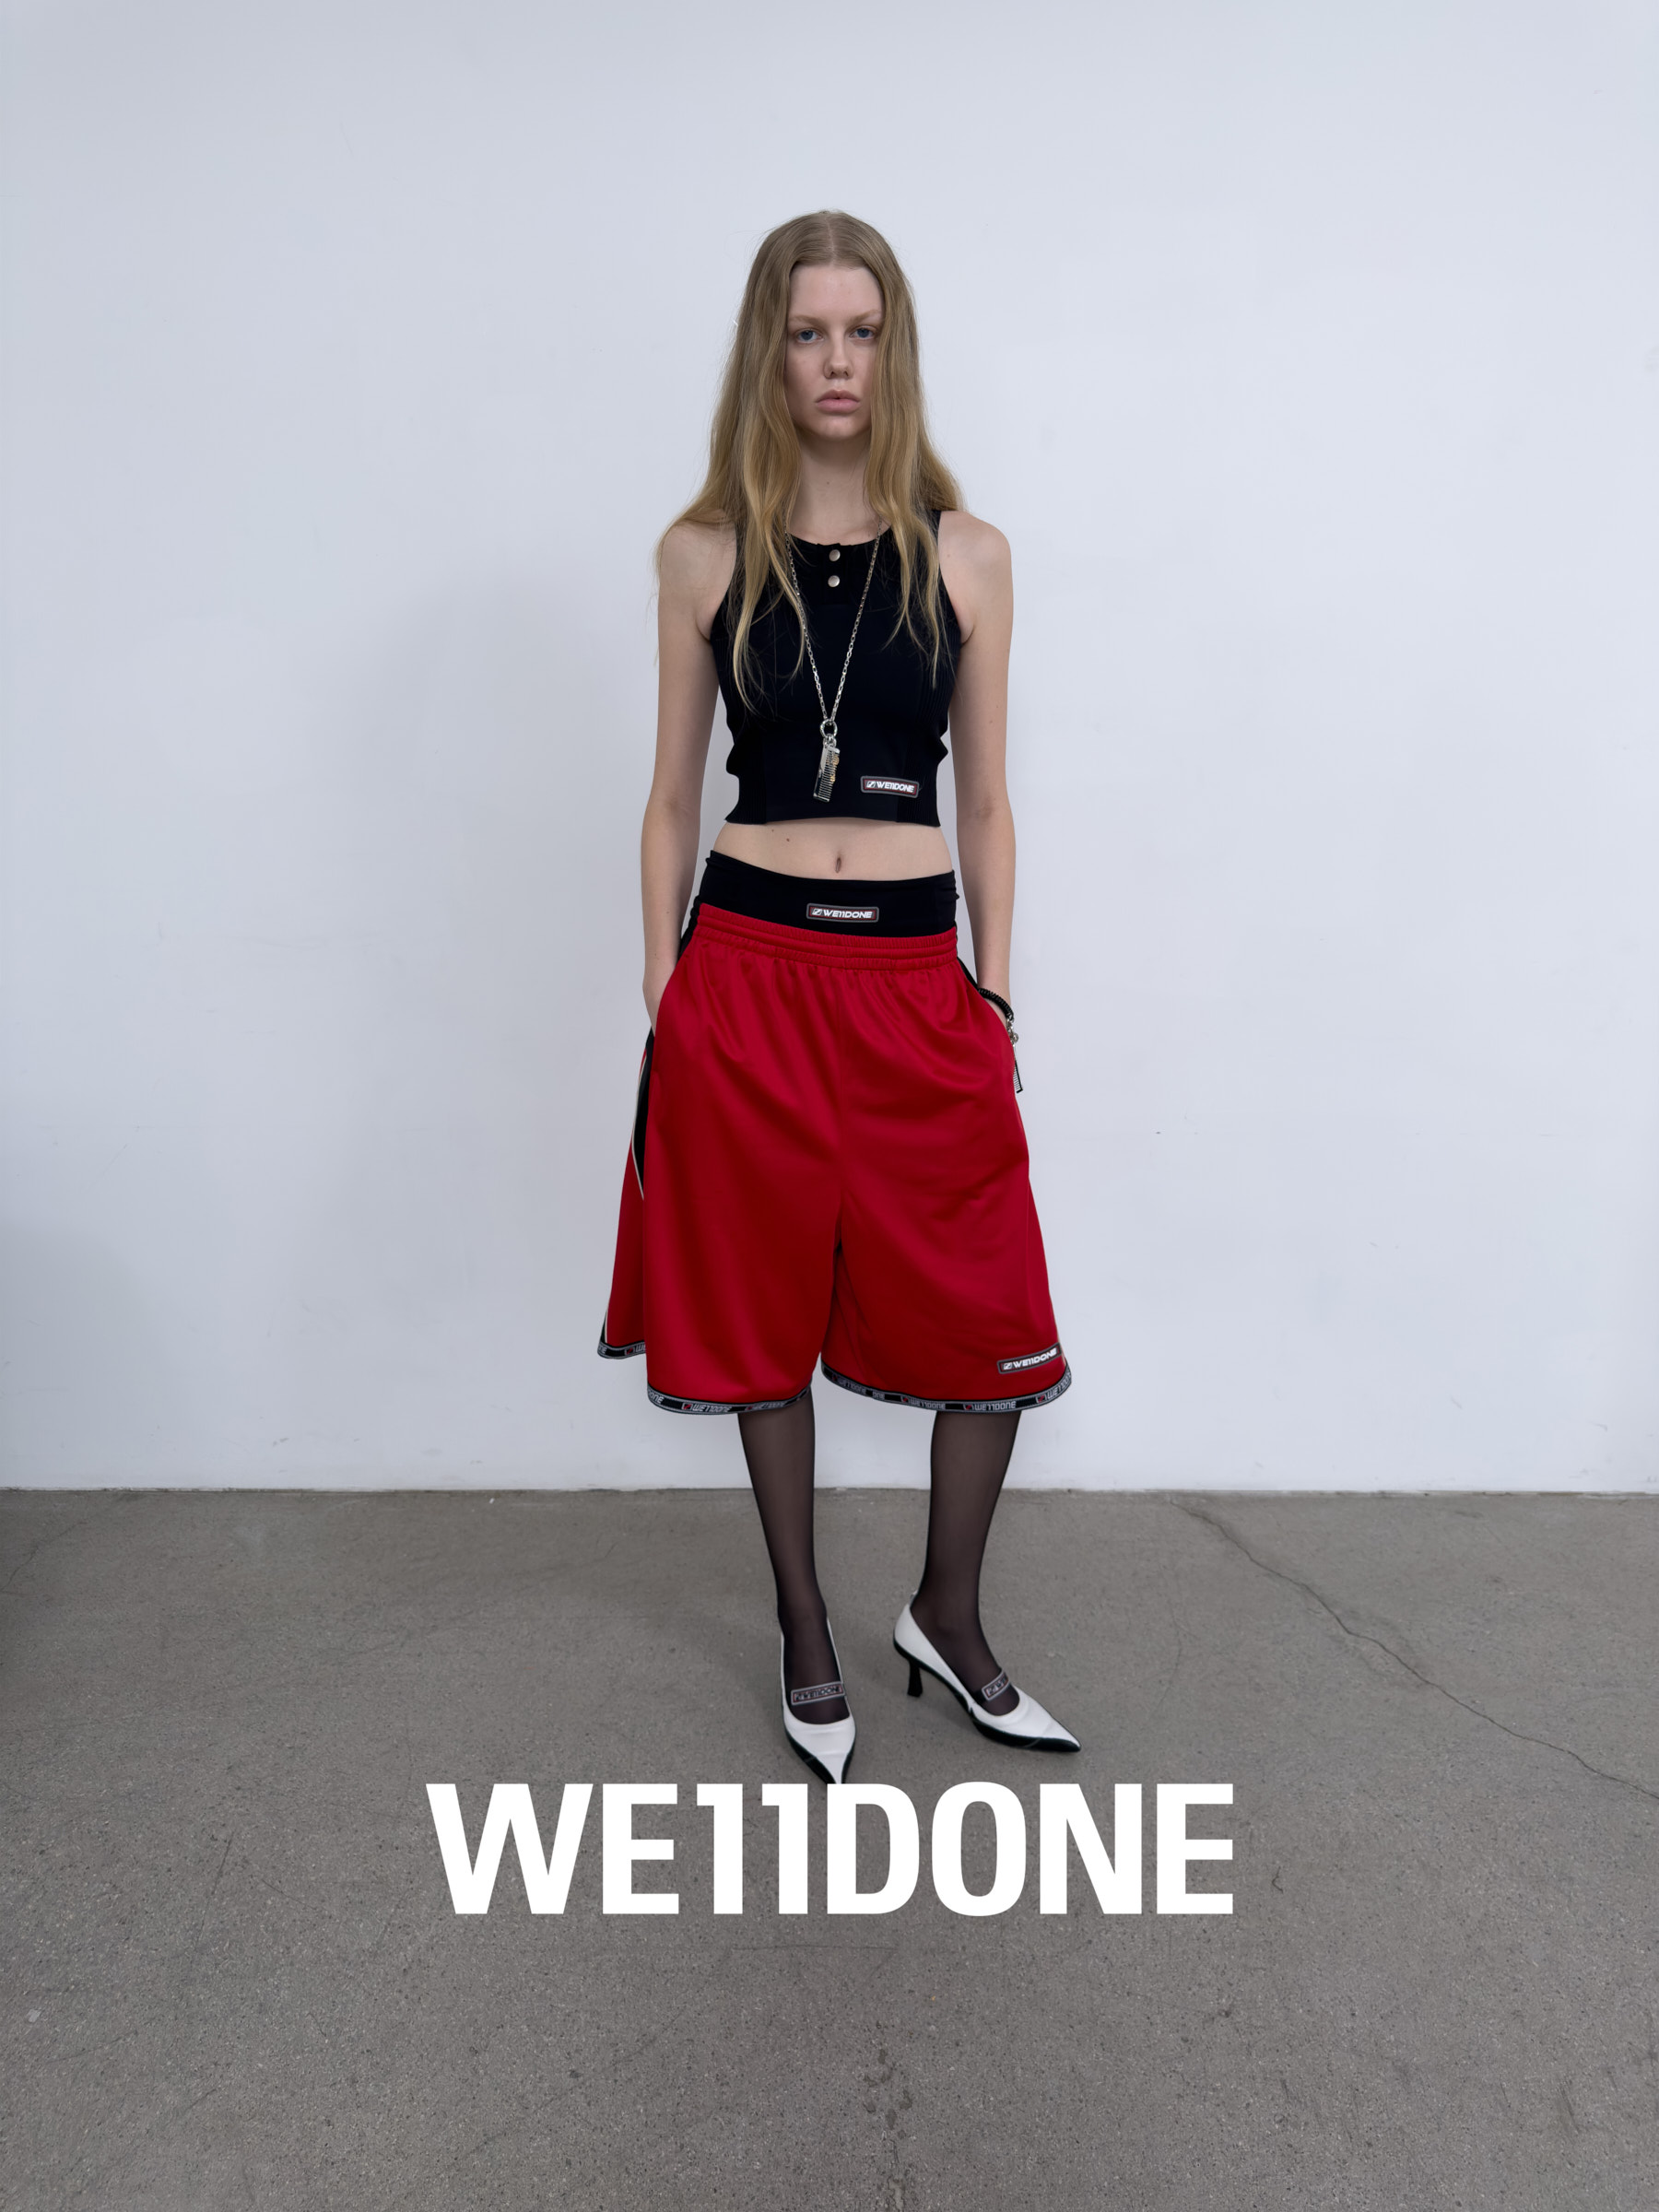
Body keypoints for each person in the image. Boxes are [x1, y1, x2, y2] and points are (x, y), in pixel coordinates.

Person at [600, 210, 1077, 1783]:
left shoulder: (967, 555)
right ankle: (805, 1627)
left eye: (862, 332)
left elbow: (986, 801)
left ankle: (947, 1612)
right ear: (770, 351)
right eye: (808, 333)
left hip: (911, 980)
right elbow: (672, 798)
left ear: (895, 349)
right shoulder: (701, 554)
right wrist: (666, 989)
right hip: (745, 974)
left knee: (989, 1300)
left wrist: (992, 998)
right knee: (756, 1312)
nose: (836, 363)